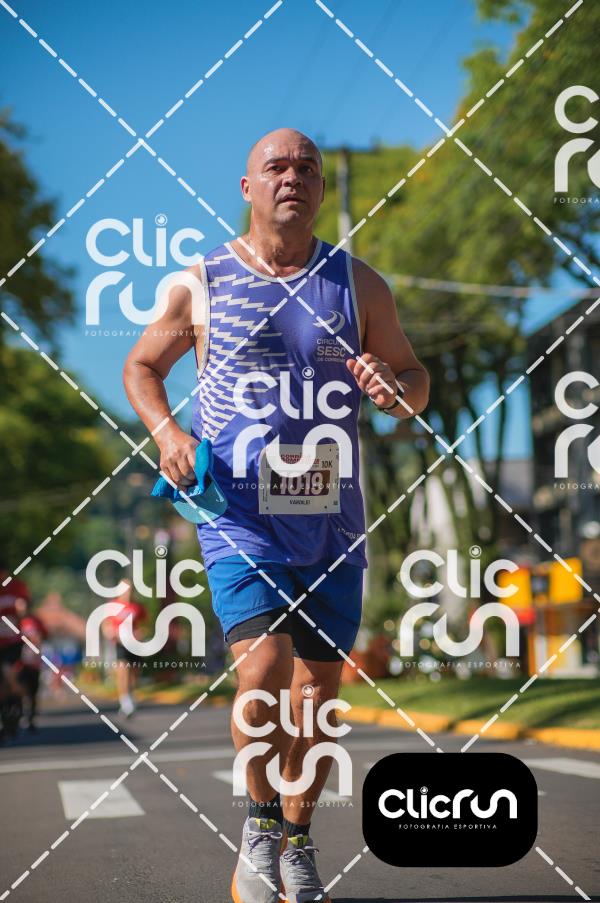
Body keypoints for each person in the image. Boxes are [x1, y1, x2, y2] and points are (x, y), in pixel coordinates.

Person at [124, 128, 429, 903]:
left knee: (318, 698)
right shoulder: (203, 281)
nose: (293, 177)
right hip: (240, 514)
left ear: (321, 188)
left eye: (307, 168)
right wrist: (168, 433)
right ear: (248, 187)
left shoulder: (359, 284)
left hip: (333, 519)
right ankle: (260, 828)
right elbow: (142, 366)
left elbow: (413, 379)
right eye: (276, 167)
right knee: (261, 670)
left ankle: (297, 838)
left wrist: (394, 391)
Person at [101, 581, 146, 718]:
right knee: (123, 671)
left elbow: (145, 625)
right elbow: (106, 625)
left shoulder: (138, 607)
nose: (127, 592)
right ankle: (125, 702)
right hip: (120, 643)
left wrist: (140, 633)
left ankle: (130, 696)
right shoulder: (113, 606)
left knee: (134, 674)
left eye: (130, 589)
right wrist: (109, 632)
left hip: (135, 644)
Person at [0, 567, 29, 741]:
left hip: (12, 642)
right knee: (2, 685)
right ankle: (5, 719)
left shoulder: (16, 587)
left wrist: (20, 609)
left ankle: (21, 701)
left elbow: (22, 608)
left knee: (8, 674)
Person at [16, 598, 48, 732]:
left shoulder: (36, 621)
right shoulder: (15, 621)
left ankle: (31, 718)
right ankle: (19, 715)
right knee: (20, 689)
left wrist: (36, 640)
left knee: (33, 690)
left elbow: (45, 635)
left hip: (34, 661)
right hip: (19, 662)